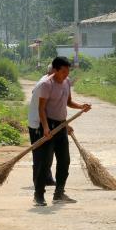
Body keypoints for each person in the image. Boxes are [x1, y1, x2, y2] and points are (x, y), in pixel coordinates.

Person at [32, 56, 92, 207]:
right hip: (48, 126)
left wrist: (81, 107)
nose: (66, 74)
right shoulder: (47, 84)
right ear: (55, 70)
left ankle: (59, 193)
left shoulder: (66, 83)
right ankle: (39, 195)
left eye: (68, 71)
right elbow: (41, 109)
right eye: (63, 71)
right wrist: (45, 127)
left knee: (64, 161)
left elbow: (68, 102)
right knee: (45, 162)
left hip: (61, 125)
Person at [27, 65, 56, 186]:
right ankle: (38, 180)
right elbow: (43, 109)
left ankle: (47, 178)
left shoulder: (47, 81)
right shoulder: (45, 83)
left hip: (43, 122)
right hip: (37, 124)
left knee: (48, 153)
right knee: (39, 154)